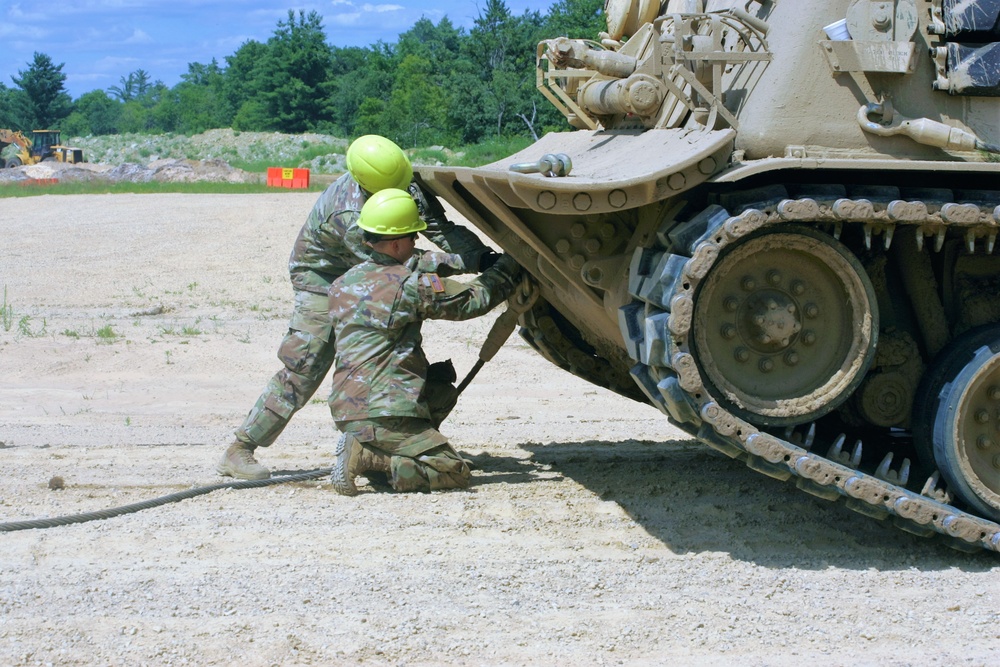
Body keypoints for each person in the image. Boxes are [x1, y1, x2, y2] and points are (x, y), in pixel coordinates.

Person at [217, 135, 496, 480]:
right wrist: (471, 263)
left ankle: (403, 446)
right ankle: (241, 448)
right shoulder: (348, 214)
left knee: (394, 351)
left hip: (371, 268)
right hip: (324, 278)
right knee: (308, 361)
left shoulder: (395, 181)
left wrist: (484, 256)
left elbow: (438, 227)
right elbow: (399, 262)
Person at [328, 188, 522, 494]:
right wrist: (512, 264)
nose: (416, 242)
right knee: (453, 472)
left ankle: (376, 449)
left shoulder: (342, 284)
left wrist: (472, 260)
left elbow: (422, 262)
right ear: (395, 243)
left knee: (441, 392)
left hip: (347, 409)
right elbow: (472, 301)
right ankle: (374, 458)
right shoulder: (407, 287)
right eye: (412, 237)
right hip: (387, 411)